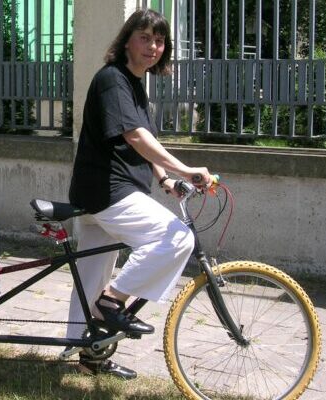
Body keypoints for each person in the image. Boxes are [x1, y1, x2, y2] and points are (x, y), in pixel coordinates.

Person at [66, 9, 212, 379]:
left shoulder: (133, 83)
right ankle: (112, 302)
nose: (153, 46)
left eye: (160, 40)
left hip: (109, 189)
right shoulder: (113, 80)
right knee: (177, 238)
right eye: (145, 37)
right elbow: (135, 136)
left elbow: (143, 141)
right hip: (107, 190)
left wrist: (164, 178)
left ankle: (88, 354)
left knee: (91, 276)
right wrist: (186, 169)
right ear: (127, 40)